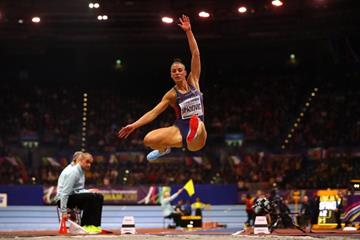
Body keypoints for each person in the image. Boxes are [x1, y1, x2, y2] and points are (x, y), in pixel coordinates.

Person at [118, 14, 207, 161]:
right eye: (174, 71)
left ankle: (194, 128)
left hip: (197, 135)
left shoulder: (194, 81)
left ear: (185, 72)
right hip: (179, 129)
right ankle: (163, 149)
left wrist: (188, 31)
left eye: (180, 70)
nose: (177, 72)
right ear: (171, 75)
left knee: (199, 126)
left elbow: (196, 54)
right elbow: (153, 113)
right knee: (148, 139)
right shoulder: (171, 95)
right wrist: (134, 125)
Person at [54, 151, 104, 233]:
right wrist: (64, 212)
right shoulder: (73, 172)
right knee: (90, 197)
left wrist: (88, 191)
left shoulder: (81, 172)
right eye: (87, 162)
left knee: (98, 196)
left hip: (71, 196)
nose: (89, 165)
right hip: (63, 200)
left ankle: (95, 226)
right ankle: (86, 225)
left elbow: (77, 190)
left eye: (90, 163)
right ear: (80, 161)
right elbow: (64, 193)